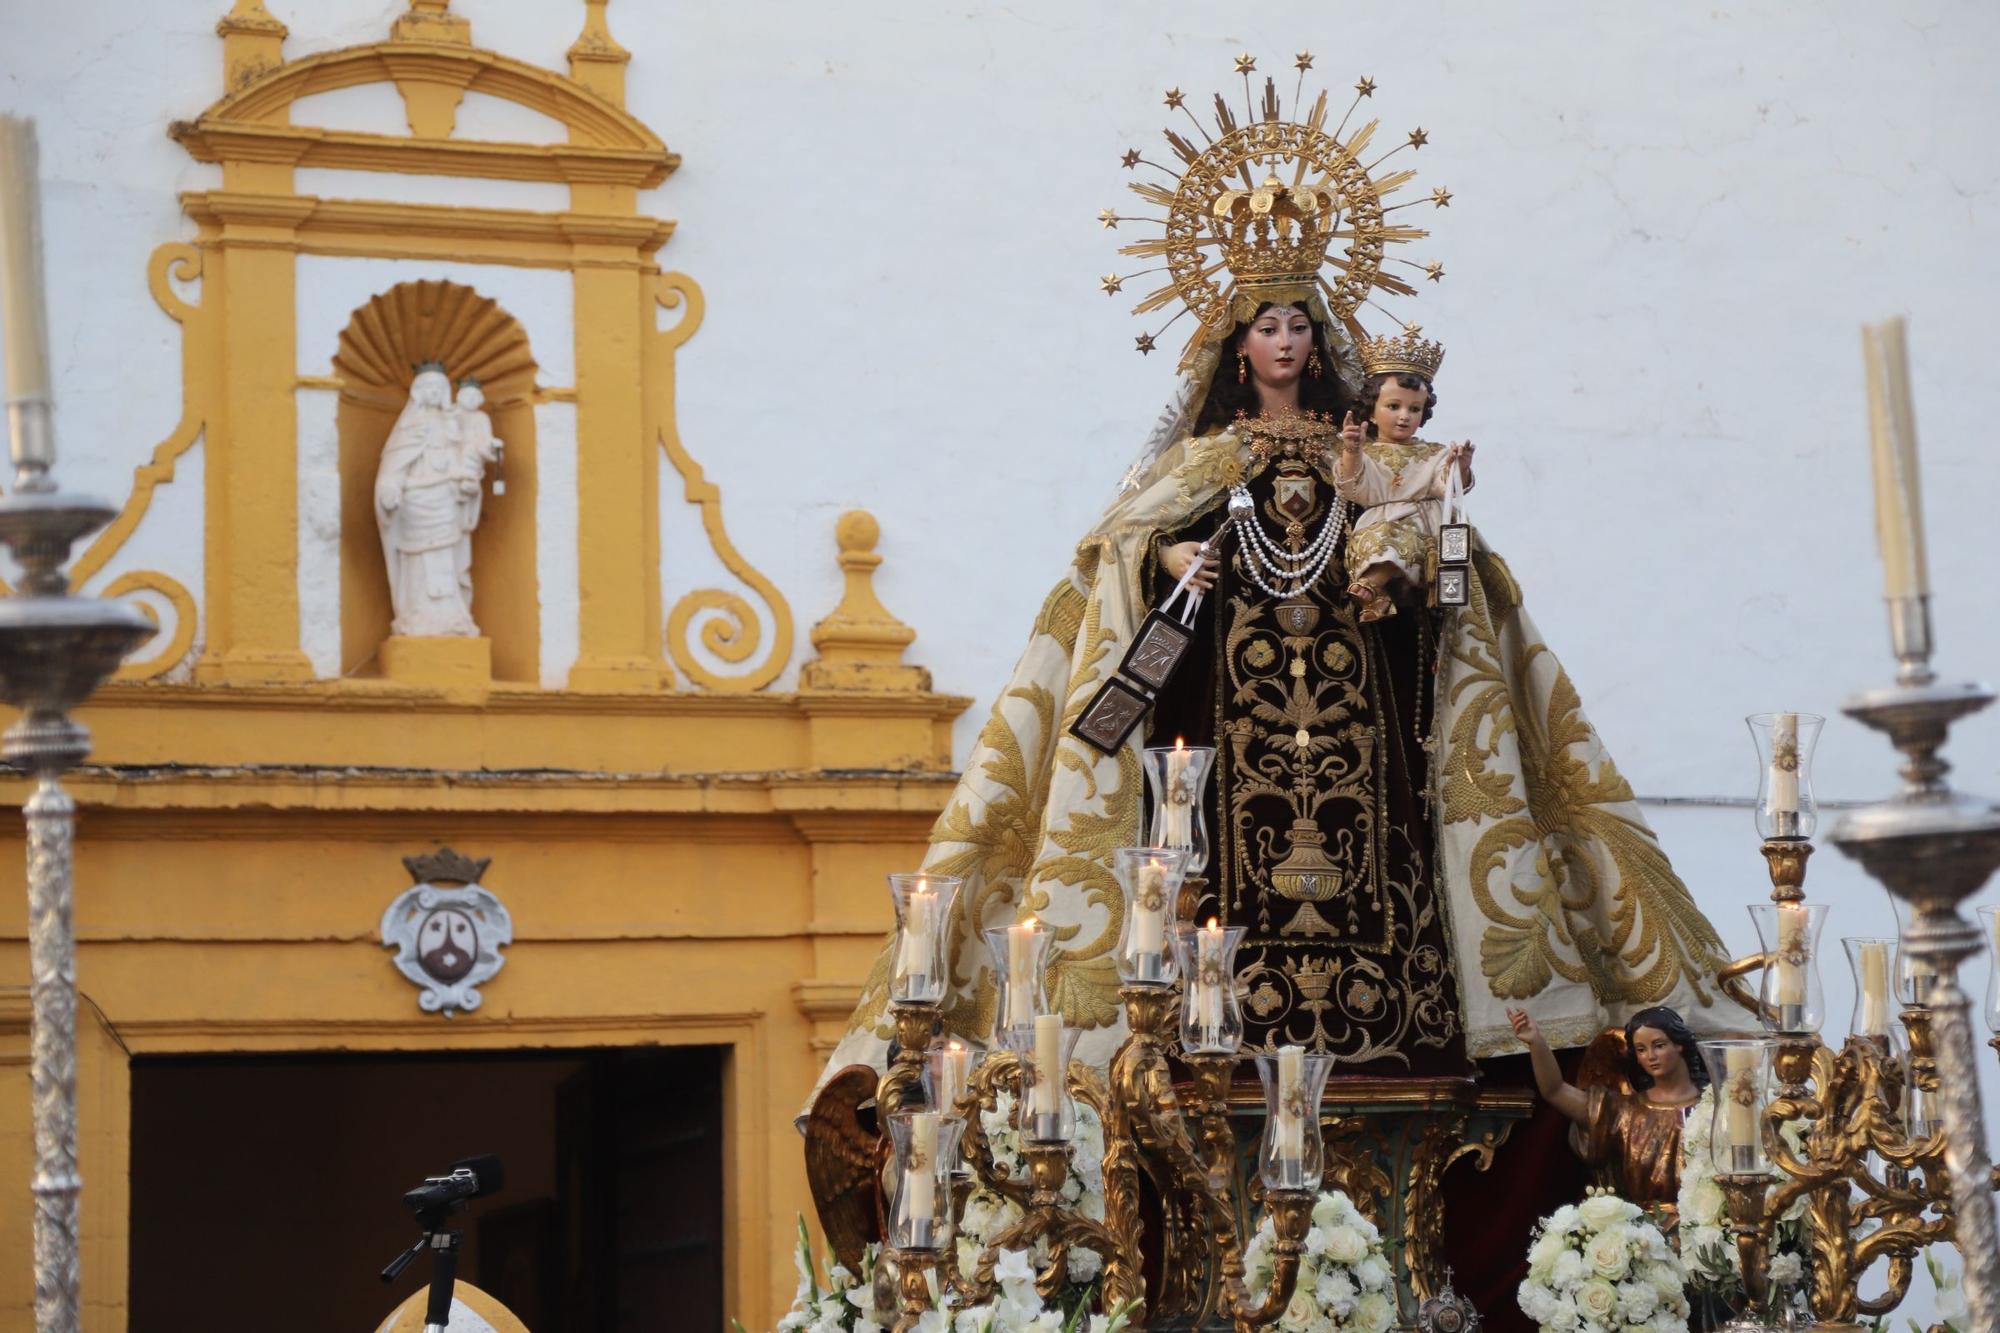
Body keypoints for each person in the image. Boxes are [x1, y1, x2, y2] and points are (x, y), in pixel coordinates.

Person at [807, 62, 1730, 1101]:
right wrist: (1158, 557)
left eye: (1298, 325)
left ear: (1317, 339)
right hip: (1220, 744)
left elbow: (1444, 588)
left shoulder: (1369, 458)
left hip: (1361, 737)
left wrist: (1408, 552)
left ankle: (1413, 1026)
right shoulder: (1196, 465)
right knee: (1206, 886)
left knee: (1381, 861)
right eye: (1266, 327)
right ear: (1236, 346)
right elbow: (1116, 550)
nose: (1284, 343)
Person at [1508, 1004, 1708, 1208]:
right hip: (1644, 1233)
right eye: (1641, 1049)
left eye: (1659, 1045)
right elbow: (1555, 1090)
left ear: (1679, 1044)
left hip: (1708, 1229)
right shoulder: (1622, 1113)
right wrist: (1536, 1042)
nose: (1650, 1056)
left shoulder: (1713, 1108)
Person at [1336, 330, 1474, 622]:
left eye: (1414, 409)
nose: (1404, 416)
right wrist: (1350, 450)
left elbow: (1446, 485)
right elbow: (1353, 488)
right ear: (1371, 412)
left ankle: (1373, 584)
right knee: (1382, 537)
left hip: (1424, 528)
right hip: (1377, 526)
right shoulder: (1367, 453)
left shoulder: (1434, 453)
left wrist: (1459, 465)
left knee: (1398, 537)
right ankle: (1379, 595)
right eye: (1393, 406)